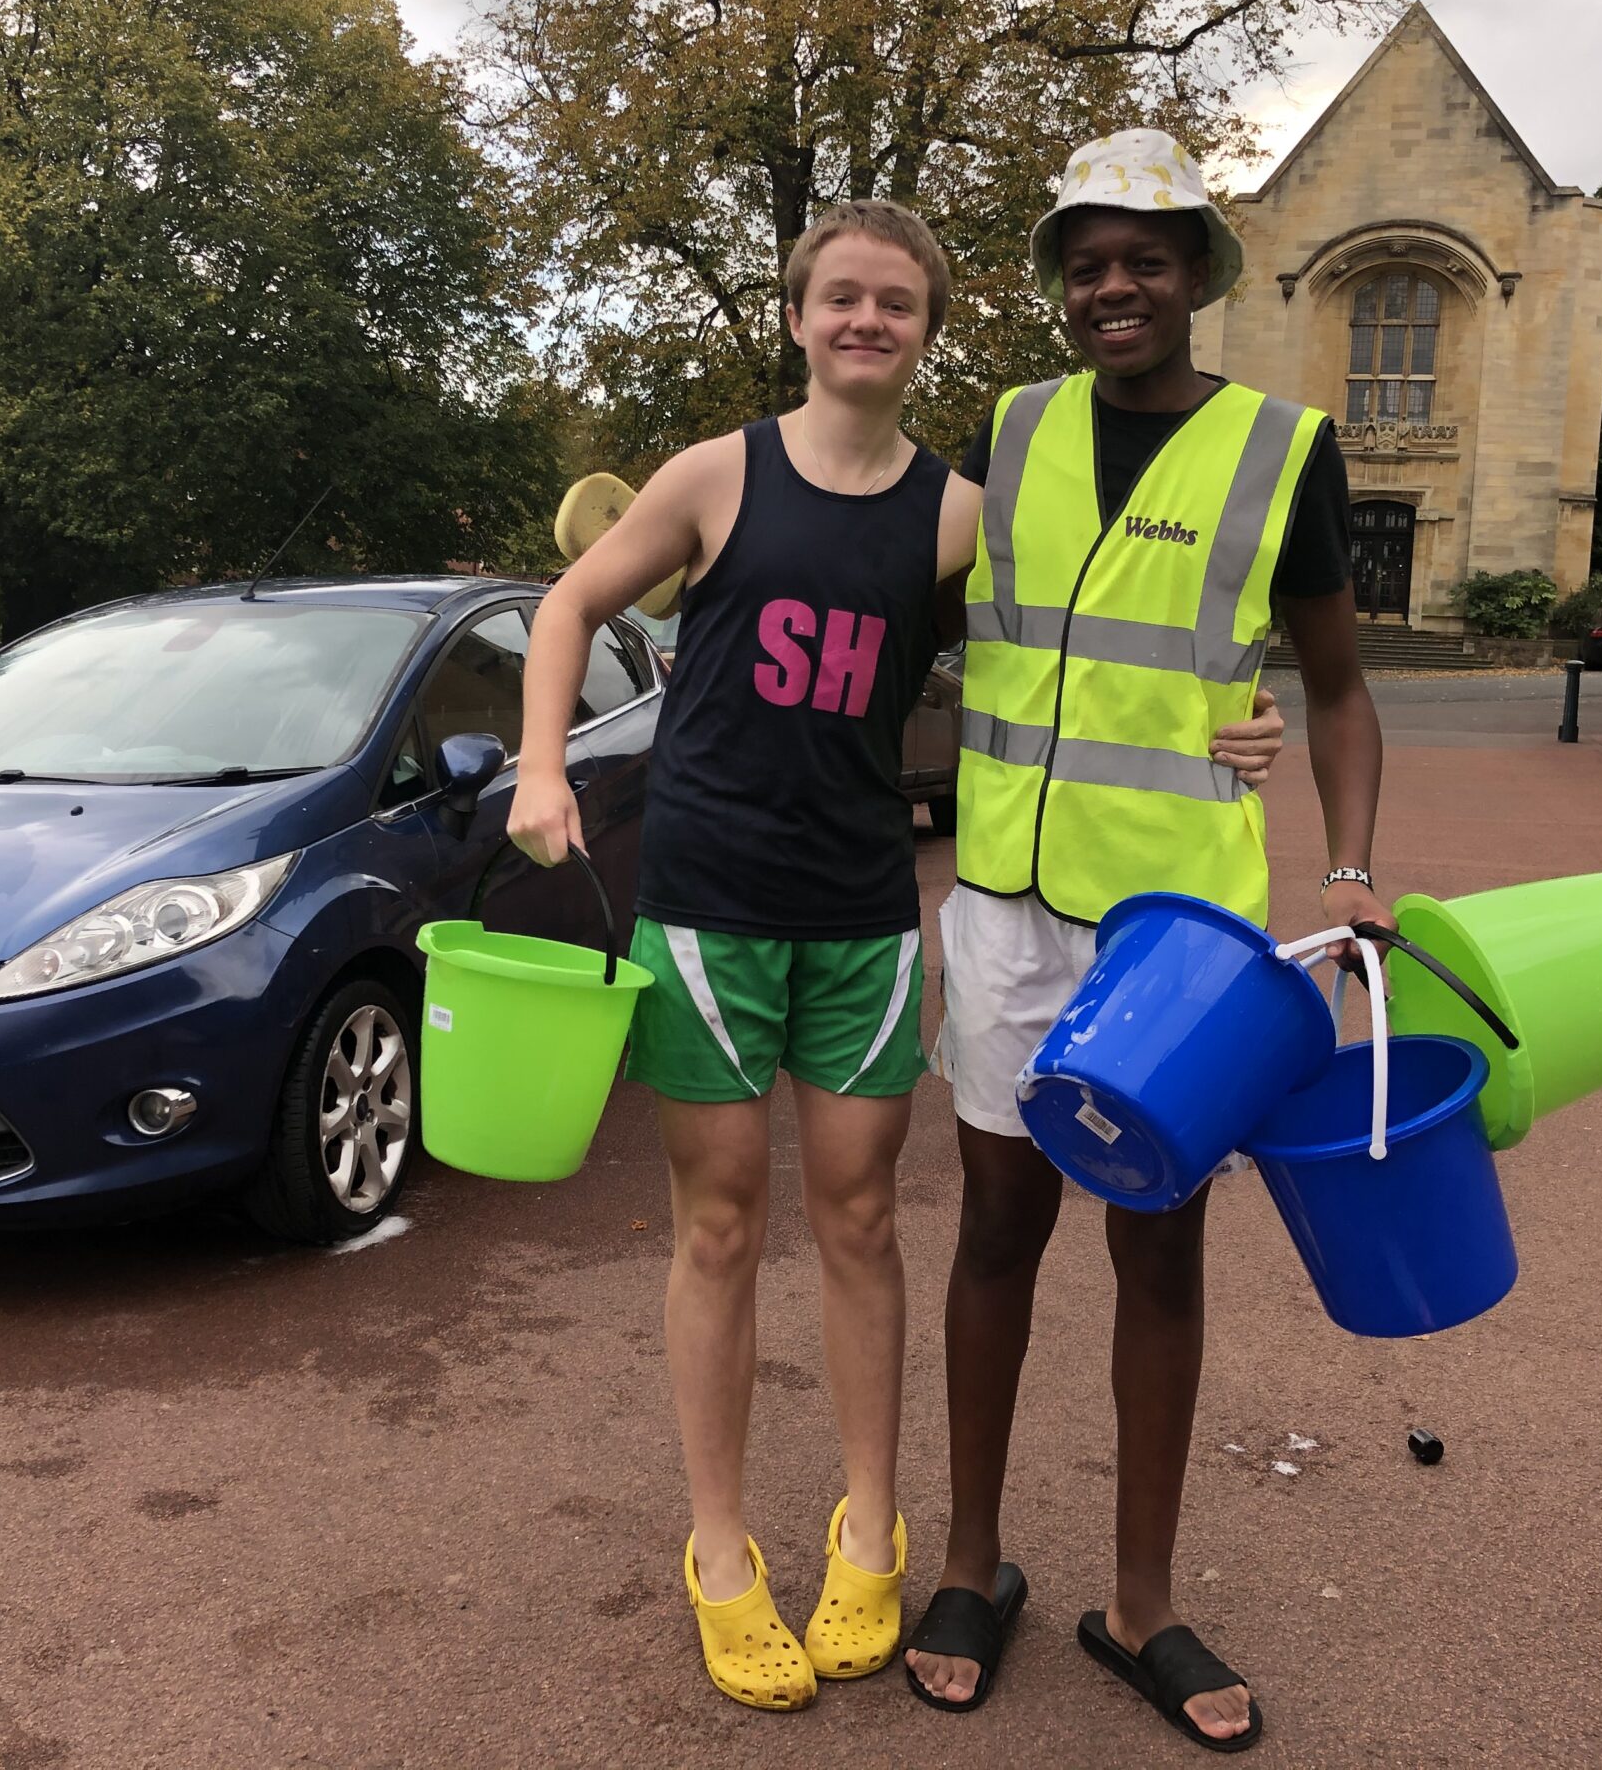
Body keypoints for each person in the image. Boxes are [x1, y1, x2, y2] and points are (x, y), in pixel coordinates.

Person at [508, 197, 1288, 1714]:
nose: (867, 322)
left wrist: (1237, 724)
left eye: (897, 304)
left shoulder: (961, 513)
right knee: (720, 1225)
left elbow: (1082, 649)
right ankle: (722, 1550)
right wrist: (545, 768)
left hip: (863, 912)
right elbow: (567, 603)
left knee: (863, 1219)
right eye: (841, 298)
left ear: (927, 331)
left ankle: (872, 1526)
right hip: (708, 910)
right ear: (798, 317)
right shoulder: (717, 474)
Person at [902, 129, 1392, 1753]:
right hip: (1005, 910)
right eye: (1087, 260)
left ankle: (1142, 1602)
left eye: (1146, 257)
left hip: (1177, 938)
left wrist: (1354, 866)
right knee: (992, 1233)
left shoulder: (1278, 450)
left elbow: (1334, 687)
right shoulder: (1013, 429)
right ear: (1062, 286)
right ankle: (972, 1566)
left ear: (1199, 274)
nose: (1115, 285)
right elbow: (901, 591)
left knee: (1157, 1248)